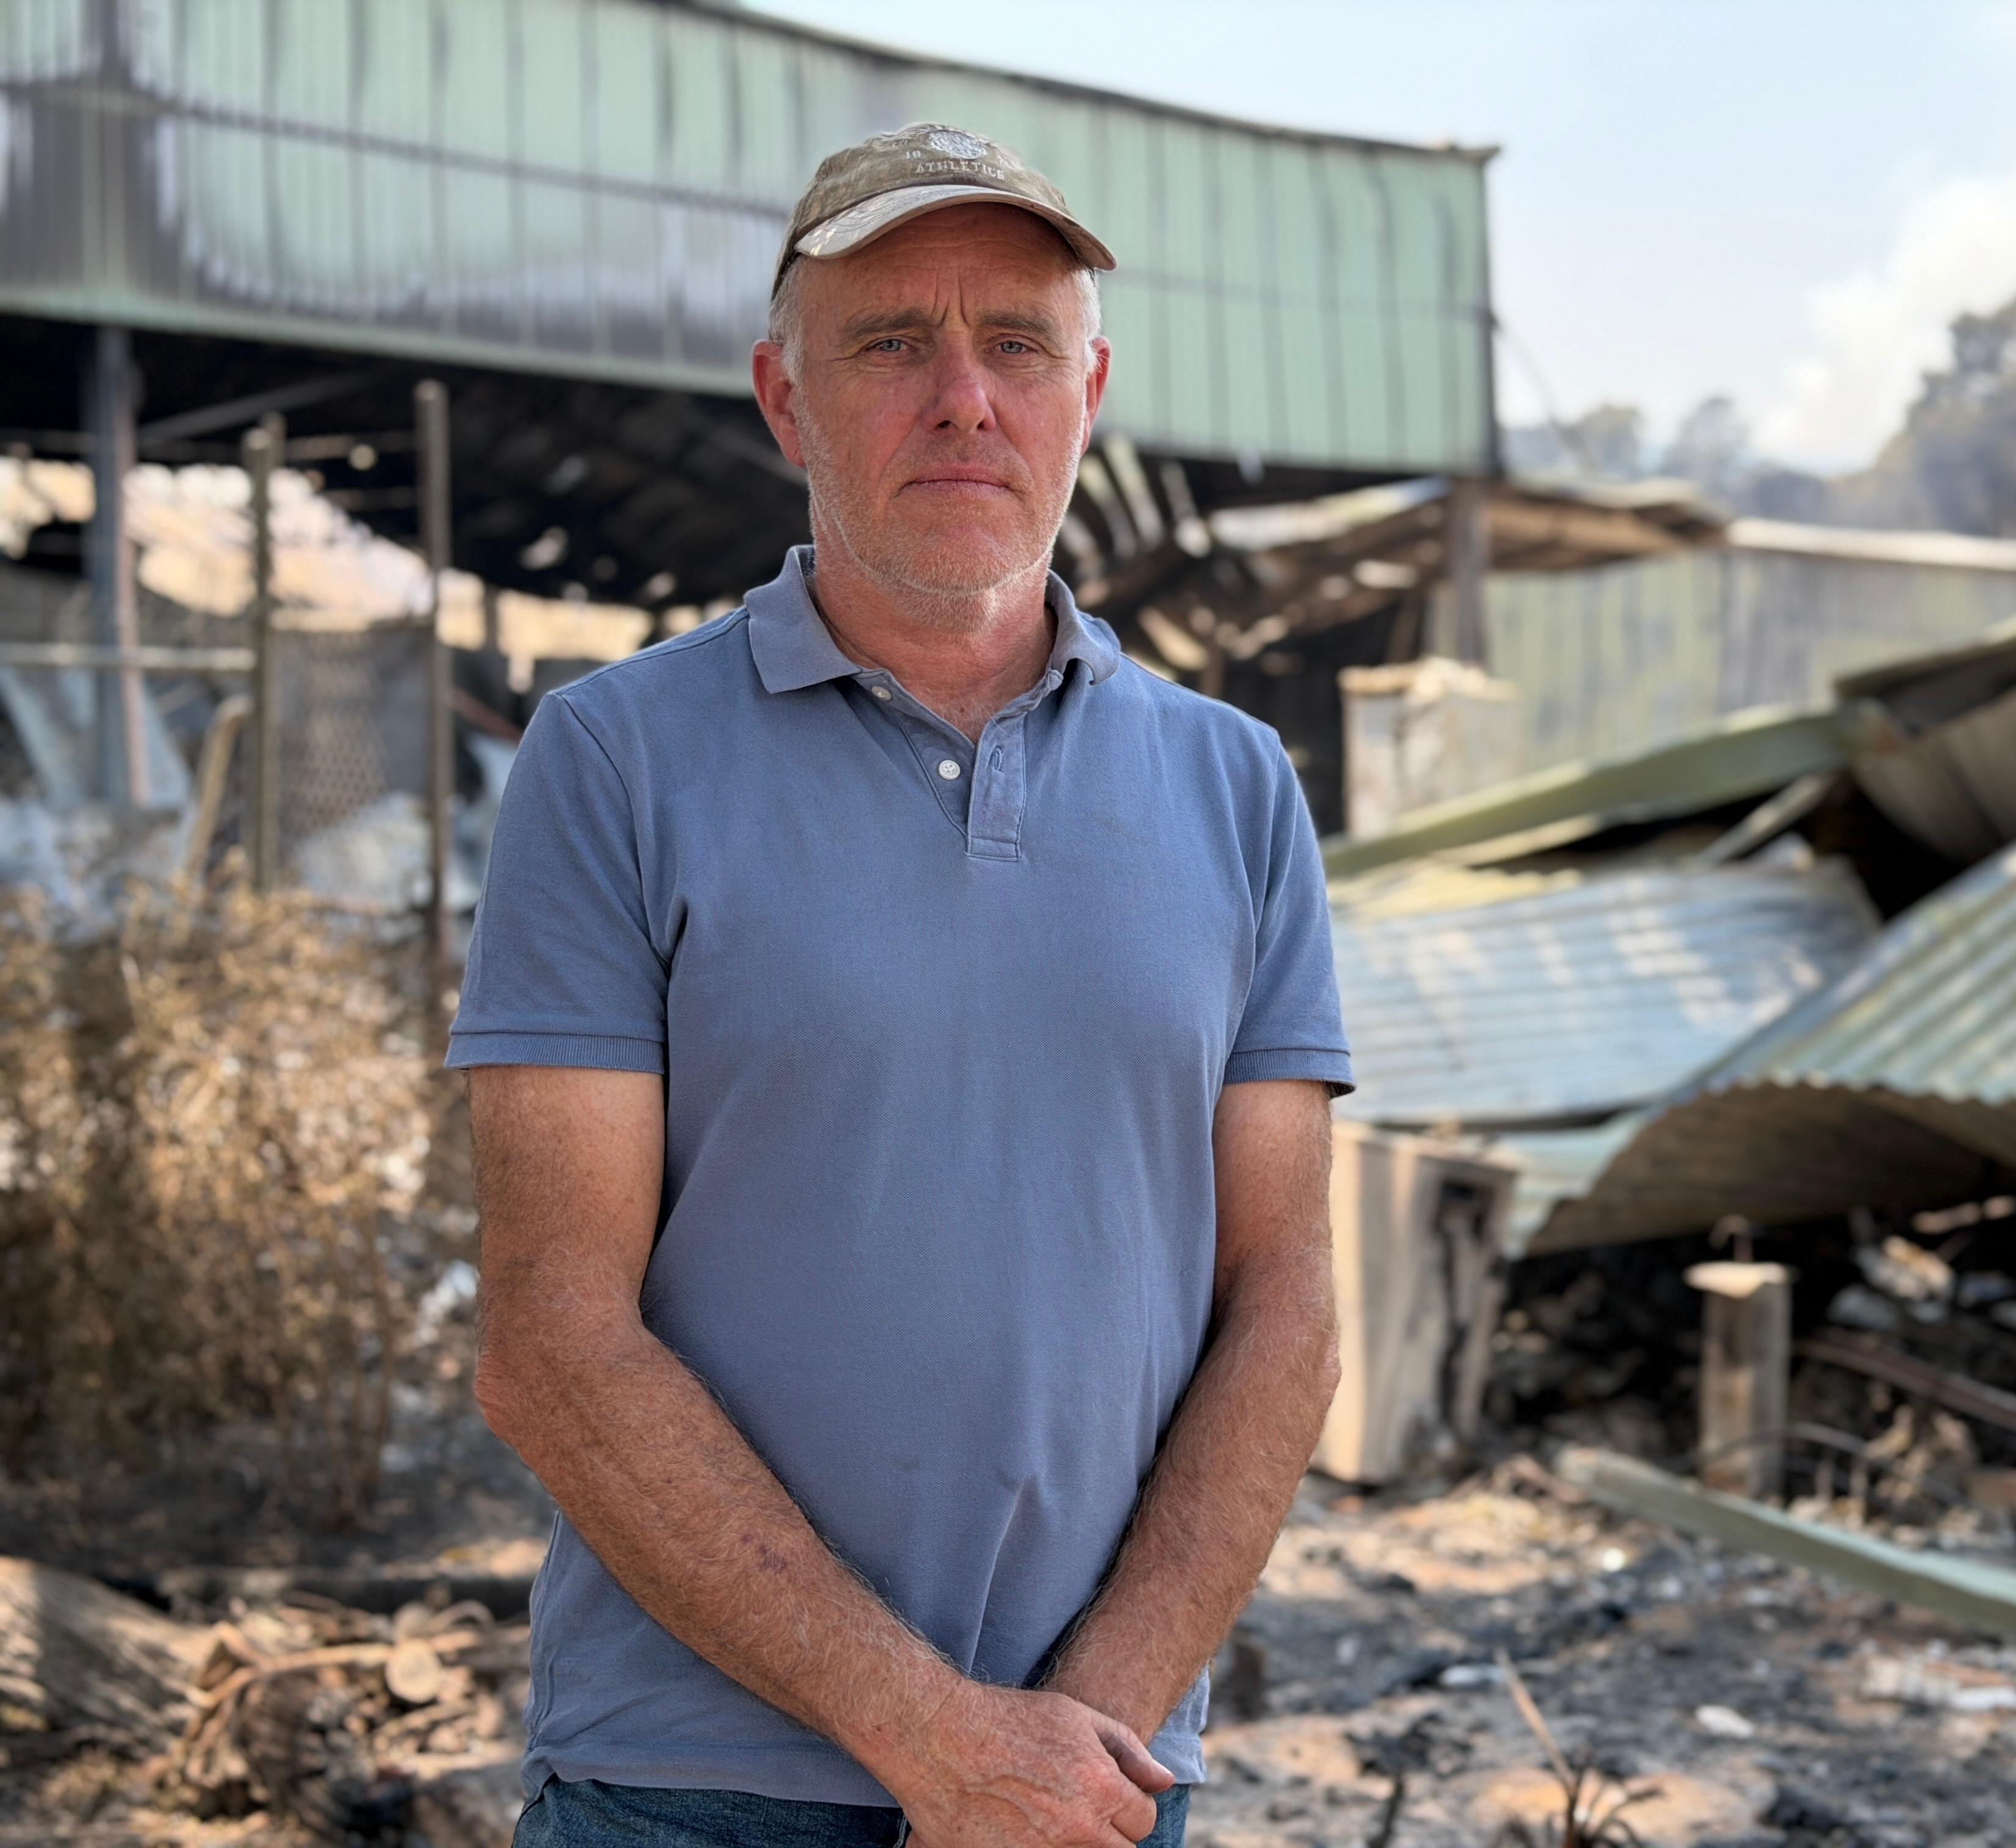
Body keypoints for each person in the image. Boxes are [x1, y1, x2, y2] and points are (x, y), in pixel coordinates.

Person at [452, 123, 1352, 1848]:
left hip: (1096, 1791)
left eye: (1015, 343)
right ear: (786, 401)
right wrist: (931, 1736)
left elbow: (1290, 1304)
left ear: (1087, 388)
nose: (965, 398)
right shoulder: (615, 762)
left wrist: (1073, 1739)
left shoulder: (1238, 791)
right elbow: (550, 1342)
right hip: (689, 1791)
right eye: (891, 344)